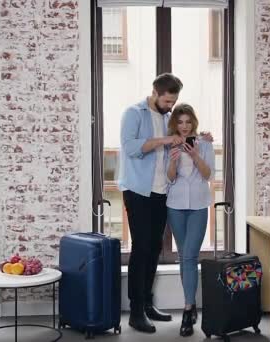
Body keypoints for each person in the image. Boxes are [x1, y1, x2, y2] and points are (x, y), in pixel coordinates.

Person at [118, 73, 211, 334]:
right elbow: (130, 148)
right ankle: (136, 313)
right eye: (168, 101)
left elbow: (184, 136)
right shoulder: (134, 113)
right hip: (139, 191)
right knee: (141, 248)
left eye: (174, 101)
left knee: (153, 249)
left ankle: (147, 305)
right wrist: (164, 140)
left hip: (162, 193)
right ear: (156, 93)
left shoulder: (167, 118)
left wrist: (201, 137)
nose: (171, 106)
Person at [165, 103, 215, 337]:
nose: (184, 127)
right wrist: (174, 160)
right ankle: (192, 305)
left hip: (197, 204)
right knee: (184, 256)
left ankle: (186, 312)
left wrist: (195, 155)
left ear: (193, 122)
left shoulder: (204, 144)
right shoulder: (170, 144)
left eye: (188, 122)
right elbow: (170, 178)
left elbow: (208, 175)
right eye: (180, 122)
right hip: (175, 205)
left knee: (189, 255)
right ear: (175, 124)